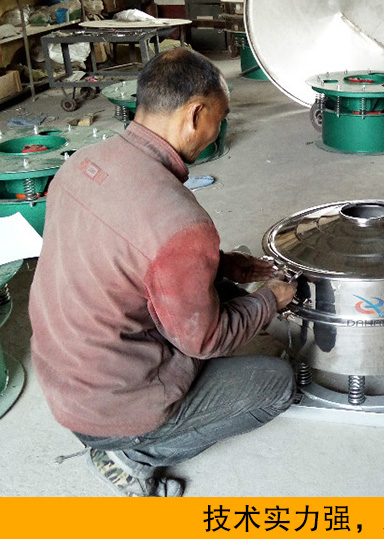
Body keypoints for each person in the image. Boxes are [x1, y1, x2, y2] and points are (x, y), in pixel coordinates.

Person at [28, 48, 297, 497]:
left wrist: (222, 263)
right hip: (111, 408)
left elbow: (125, 252)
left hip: (62, 378)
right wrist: (271, 299)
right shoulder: (182, 223)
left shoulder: (80, 164)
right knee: (276, 383)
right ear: (195, 114)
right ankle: (132, 455)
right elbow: (205, 341)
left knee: (225, 294)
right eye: (219, 119)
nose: (216, 131)